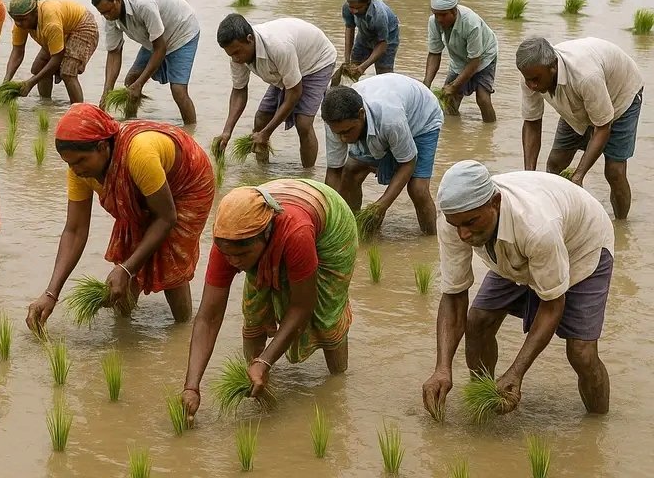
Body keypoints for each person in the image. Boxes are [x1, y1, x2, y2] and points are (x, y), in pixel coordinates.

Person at [422, 160, 614, 418]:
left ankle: (598, 428)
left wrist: (516, 371)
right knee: (478, 321)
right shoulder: (455, 220)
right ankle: (485, 402)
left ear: (495, 203)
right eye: (457, 225)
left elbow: (552, 304)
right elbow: (454, 295)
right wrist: (442, 368)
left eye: (470, 222)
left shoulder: (536, 227)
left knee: (581, 352)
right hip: (514, 250)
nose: (464, 235)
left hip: (581, 246)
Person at [181, 179, 358, 423]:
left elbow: (302, 306)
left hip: (330, 225)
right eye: (228, 255)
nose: (233, 262)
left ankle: (337, 381)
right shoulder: (228, 240)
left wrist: (265, 360)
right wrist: (192, 385)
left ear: (265, 235)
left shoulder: (295, 233)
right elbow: (208, 317)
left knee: (326, 314)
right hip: (278, 210)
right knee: (254, 310)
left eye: (241, 255)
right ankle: (261, 388)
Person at [26, 103, 214, 331]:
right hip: (148, 181)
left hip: (187, 184)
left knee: (169, 253)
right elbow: (74, 230)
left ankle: (182, 330)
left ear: (103, 147)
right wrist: (51, 293)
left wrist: (126, 269)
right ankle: (124, 328)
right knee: (131, 243)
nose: (75, 170)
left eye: (80, 161)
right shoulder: (79, 169)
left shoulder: (138, 154)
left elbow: (166, 218)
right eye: (69, 163)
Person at [516, 36, 643, 220]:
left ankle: (621, 226)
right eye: (528, 79)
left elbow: (602, 127)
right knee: (555, 163)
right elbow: (532, 122)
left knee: (614, 171)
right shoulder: (530, 76)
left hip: (621, 99)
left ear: (553, 66)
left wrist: (578, 176)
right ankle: (558, 215)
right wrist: (529, 175)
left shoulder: (586, 76)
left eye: (535, 79)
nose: (532, 86)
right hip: (577, 102)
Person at [321, 74, 443, 234]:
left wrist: (381, 206)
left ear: (361, 114)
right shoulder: (334, 121)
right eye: (338, 133)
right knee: (350, 171)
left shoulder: (391, 120)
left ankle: (431, 241)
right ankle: (351, 230)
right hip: (390, 105)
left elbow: (408, 162)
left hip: (422, 119)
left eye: (348, 131)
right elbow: (334, 171)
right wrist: (329, 216)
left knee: (417, 188)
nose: (343, 138)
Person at [214, 14, 336, 168]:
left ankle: (308, 176)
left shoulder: (278, 47)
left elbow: (294, 93)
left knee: (303, 123)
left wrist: (266, 133)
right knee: (261, 118)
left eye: (237, 52)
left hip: (315, 62)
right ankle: (262, 172)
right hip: (285, 69)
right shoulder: (237, 56)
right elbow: (239, 91)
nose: (235, 59)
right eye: (230, 54)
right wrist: (227, 131)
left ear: (250, 39)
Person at [91, 0, 200, 124]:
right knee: (131, 80)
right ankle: (131, 123)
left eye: (108, 11)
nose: (106, 16)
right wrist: (107, 92)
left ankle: (190, 132)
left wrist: (140, 83)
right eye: (102, 13)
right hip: (155, 37)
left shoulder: (143, 5)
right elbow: (114, 53)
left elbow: (160, 49)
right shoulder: (110, 18)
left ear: (117, 0)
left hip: (182, 31)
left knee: (178, 90)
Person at [4, 0, 99, 103]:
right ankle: (46, 105)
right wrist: (6, 81)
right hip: (62, 30)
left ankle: (78, 111)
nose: (19, 24)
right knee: (38, 68)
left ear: (35, 13)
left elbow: (56, 58)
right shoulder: (20, 24)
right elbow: (17, 52)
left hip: (82, 26)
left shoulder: (50, 22)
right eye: (16, 19)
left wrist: (31, 82)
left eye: (23, 19)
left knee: (67, 72)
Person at [423, 0, 498, 122]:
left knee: (482, 98)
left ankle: (489, 131)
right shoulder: (433, 22)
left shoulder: (471, 23)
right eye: (436, 14)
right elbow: (434, 53)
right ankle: (452, 131)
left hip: (484, 57)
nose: (439, 19)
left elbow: (475, 61)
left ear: (454, 11)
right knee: (448, 99)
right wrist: (426, 84)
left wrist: (454, 86)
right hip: (459, 59)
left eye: (443, 15)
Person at [339, 0, 400, 80]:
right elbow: (349, 29)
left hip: (387, 38)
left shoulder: (379, 14)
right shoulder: (347, 7)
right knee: (352, 67)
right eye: (351, 7)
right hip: (364, 34)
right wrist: (346, 60)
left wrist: (363, 67)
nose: (353, 11)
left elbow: (382, 44)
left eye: (357, 8)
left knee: (384, 75)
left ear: (367, 2)